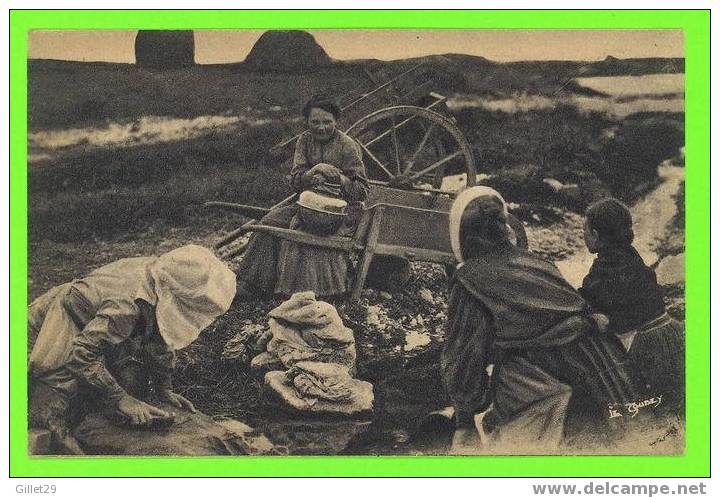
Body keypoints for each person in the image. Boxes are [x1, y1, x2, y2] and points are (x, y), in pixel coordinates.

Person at [441, 187, 640, 453]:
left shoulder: (469, 280)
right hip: (605, 376)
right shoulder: (537, 263)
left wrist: (465, 420)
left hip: (549, 389)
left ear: (461, 236)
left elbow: (463, 358)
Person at [28, 245, 236, 454]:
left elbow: (158, 336)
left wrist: (164, 388)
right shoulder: (126, 306)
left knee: (130, 384)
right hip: (49, 326)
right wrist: (121, 398)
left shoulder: (162, 275)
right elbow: (81, 354)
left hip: (96, 328)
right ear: (171, 298)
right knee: (52, 408)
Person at [235, 95, 368, 299]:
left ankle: (317, 290)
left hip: (341, 213)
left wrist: (341, 179)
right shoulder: (304, 141)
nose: (321, 127)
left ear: (336, 122)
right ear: (307, 122)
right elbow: (295, 180)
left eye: (327, 122)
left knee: (301, 227)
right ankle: (254, 283)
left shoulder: (347, 145)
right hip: (308, 206)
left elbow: (362, 191)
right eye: (315, 122)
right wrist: (312, 172)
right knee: (269, 221)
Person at [580, 198, 685, 412]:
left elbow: (588, 298)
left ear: (596, 236)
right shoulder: (629, 254)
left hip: (649, 345)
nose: (584, 237)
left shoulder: (606, 265)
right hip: (672, 332)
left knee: (649, 406)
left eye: (585, 232)